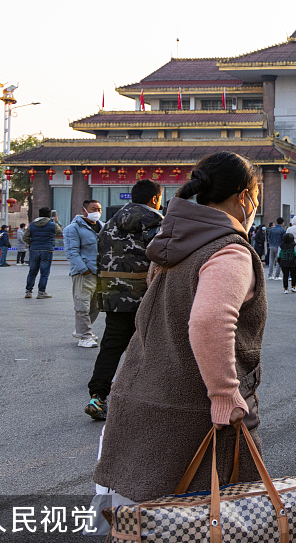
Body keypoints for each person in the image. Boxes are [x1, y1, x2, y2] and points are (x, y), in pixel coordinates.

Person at [93, 151, 267, 502]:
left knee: (147, 519)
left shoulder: (176, 244)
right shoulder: (228, 251)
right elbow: (209, 320)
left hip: (141, 395)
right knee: (216, 517)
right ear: (243, 196)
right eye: (257, 191)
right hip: (195, 414)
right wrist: (224, 393)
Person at [84, 179, 164, 421]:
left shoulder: (109, 224)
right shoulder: (157, 223)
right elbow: (162, 257)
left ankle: (97, 397)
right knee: (153, 349)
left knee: (111, 347)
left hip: (113, 294)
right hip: (145, 296)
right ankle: (147, 400)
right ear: (154, 199)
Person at [64, 199, 104, 348]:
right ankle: (84, 337)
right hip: (84, 273)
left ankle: (81, 330)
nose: (97, 213)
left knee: (97, 304)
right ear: (84, 210)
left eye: (99, 209)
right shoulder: (72, 229)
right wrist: (84, 270)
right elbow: (72, 252)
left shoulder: (103, 227)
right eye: (93, 209)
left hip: (100, 272)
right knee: (82, 305)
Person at [23, 207, 62, 299]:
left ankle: (28, 291)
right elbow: (60, 231)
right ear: (49, 215)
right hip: (47, 250)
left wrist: (32, 244)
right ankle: (41, 292)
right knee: (44, 272)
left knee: (32, 271)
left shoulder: (32, 225)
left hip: (34, 250)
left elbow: (25, 237)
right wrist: (57, 221)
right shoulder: (52, 224)